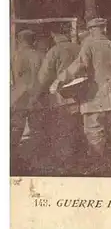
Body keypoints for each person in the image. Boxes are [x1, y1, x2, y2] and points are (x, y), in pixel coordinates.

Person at [50, 18, 111, 173]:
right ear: (104, 29)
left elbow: (79, 65)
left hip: (94, 97)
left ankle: (98, 164)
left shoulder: (88, 45)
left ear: (90, 30)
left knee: (94, 130)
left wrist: (59, 80)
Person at [37, 25, 82, 172]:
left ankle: (66, 164)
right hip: (81, 94)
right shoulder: (79, 47)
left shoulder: (54, 51)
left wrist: (39, 92)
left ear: (54, 35)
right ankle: (80, 159)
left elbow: (44, 77)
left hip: (62, 95)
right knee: (78, 127)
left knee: (63, 129)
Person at [10, 29, 45, 174]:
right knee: (36, 130)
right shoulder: (41, 55)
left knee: (16, 129)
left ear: (19, 40)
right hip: (37, 96)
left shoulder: (17, 55)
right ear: (33, 41)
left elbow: (15, 76)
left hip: (20, 95)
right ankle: (35, 161)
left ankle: (14, 160)